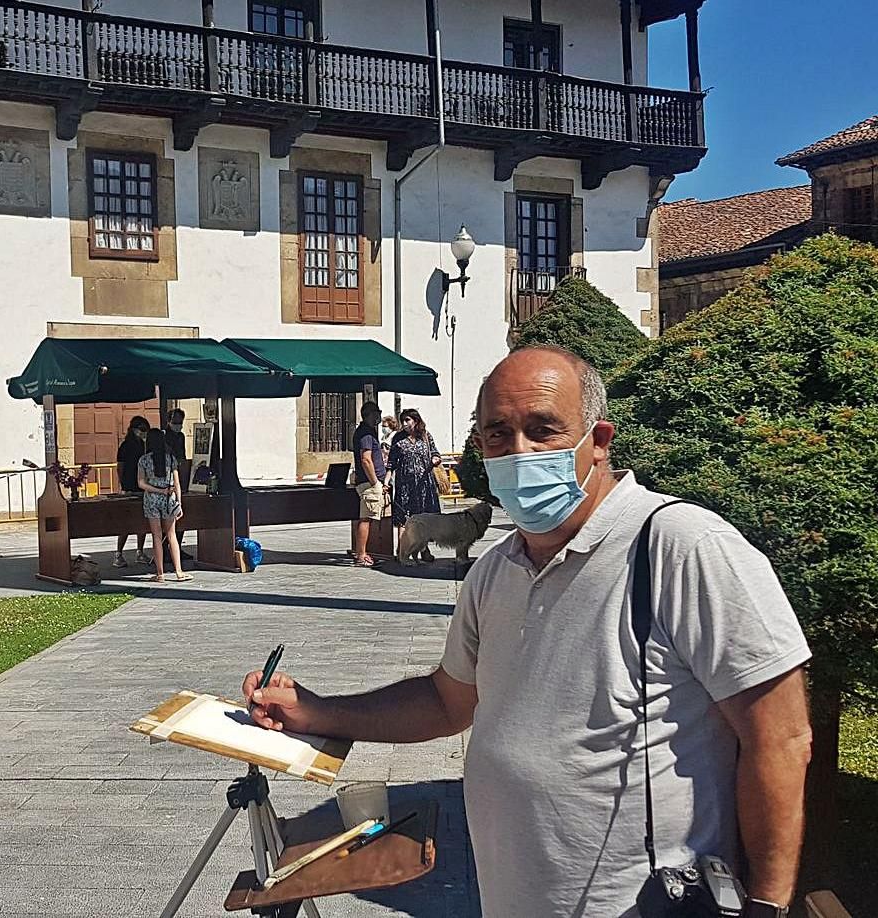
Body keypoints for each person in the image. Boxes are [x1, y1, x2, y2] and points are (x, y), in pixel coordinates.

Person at [243, 347, 812, 918]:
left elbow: (780, 737)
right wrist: (317, 711)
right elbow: (447, 701)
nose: (519, 452)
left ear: (599, 440)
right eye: (498, 434)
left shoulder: (680, 546)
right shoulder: (496, 570)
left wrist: (768, 904)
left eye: (544, 430)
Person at [137, 428, 193, 583]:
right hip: (169, 498)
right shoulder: (170, 459)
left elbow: (141, 483)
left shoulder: (143, 460)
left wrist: (157, 490)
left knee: (156, 536)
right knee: (172, 535)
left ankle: (160, 573)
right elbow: (177, 483)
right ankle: (179, 572)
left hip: (152, 499)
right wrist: (179, 503)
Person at [385, 408, 441, 561]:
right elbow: (391, 463)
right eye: (402, 420)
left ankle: (424, 550)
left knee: (423, 518)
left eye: (407, 420)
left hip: (424, 485)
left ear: (415, 421)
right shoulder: (398, 438)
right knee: (403, 518)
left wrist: (435, 459)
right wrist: (386, 482)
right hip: (405, 485)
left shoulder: (425, 436)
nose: (404, 423)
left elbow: (435, 452)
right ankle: (401, 551)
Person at [351, 401, 387, 568]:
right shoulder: (365, 433)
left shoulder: (368, 431)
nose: (379, 415)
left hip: (371, 481)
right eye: (377, 412)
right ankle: (361, 555)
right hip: (369, 483)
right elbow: (366, 459)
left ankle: (364, 553)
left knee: (369, 518)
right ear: (370, 414)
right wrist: (375, 482)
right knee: (366, 518)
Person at [113, 416, 150, 568]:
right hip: (129, 486)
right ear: (134, 429)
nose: (143, 433)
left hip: (142, 487)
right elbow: (120, 467)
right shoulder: (125, 446)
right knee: (126, 523)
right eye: (141, 429)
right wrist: (122, 484)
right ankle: (118, 553)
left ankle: (140, 551)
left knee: (142, 522)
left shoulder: (145, 445)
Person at [164, 408, 193, 563]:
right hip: (166, 477)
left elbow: (182, 457)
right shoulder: (164, 436)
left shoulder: (181, 436)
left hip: (178, 475)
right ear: (169, 421)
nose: (178, 425)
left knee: (180, 516)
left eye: (180, 423)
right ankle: (166, 549)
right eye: (175, 422)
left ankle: (177, 547)